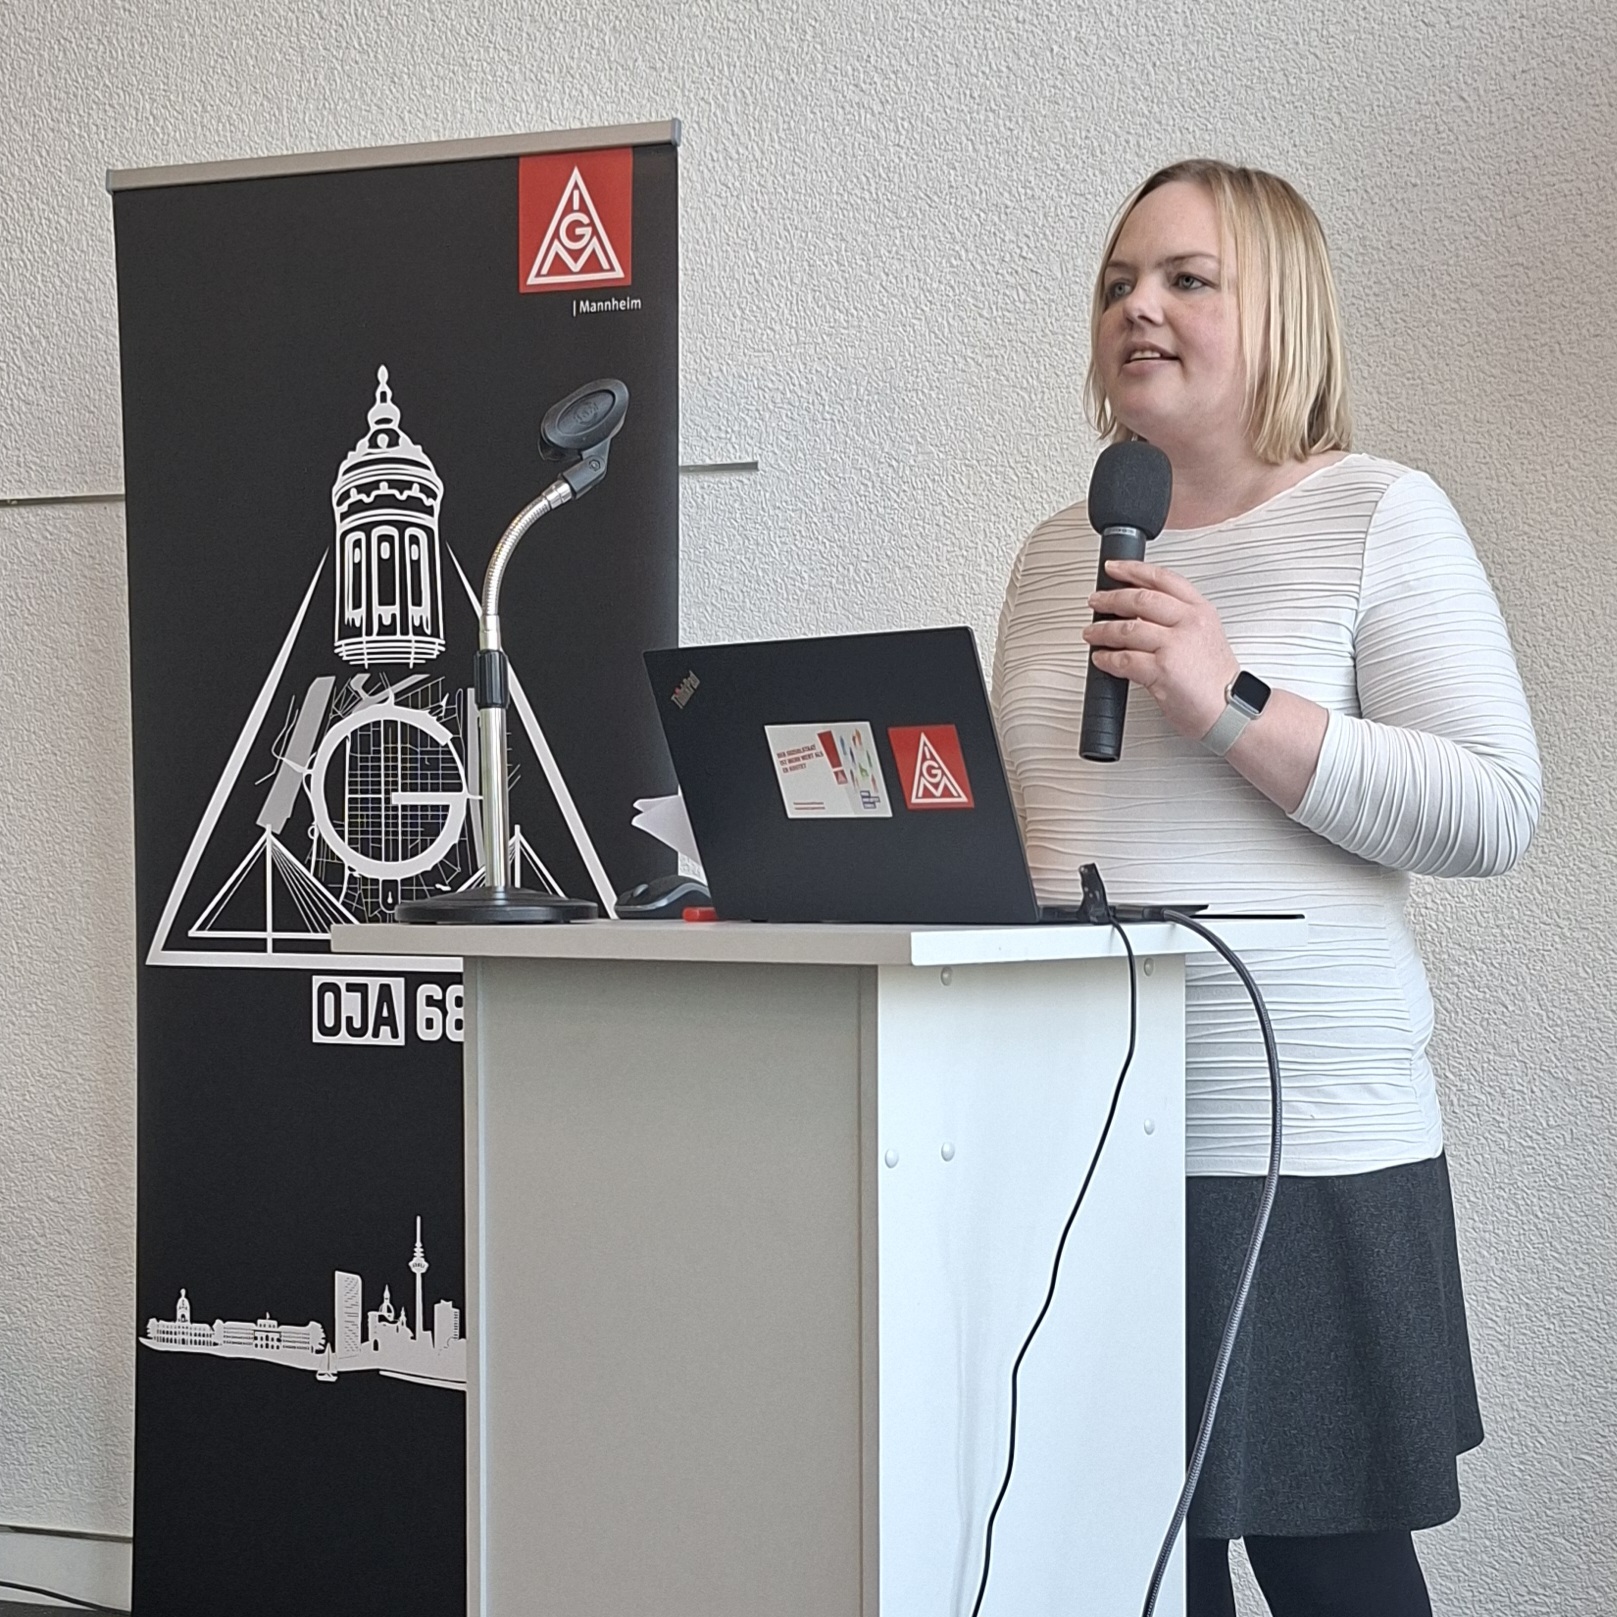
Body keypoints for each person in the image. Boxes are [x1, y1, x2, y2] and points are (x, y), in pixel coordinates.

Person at [991, 160, 1542, 1617]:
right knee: (1124, 1570)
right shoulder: (1055, 555)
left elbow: (1491, 808)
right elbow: (1023, 836)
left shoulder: (1378, 513)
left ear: (1282, 309)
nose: (1138, 308)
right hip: (1076, 1148)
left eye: (1187, 279)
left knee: (1330, 1567)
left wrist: (1224, 699)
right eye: (1118, 283)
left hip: (1300, 1152)